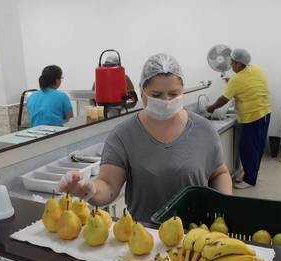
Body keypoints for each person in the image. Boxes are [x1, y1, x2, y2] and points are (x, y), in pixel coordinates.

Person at [60, 53, 232, 222]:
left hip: (196, 235)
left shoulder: (203, 129)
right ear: (142, 93)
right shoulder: (124, 135)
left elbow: (219, 173)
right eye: (156, 95)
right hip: (144, 238)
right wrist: (89, 189)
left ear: (182, 91)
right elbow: (108, 186)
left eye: (173, 94)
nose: (166, 101)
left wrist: (222, 209)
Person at [207, 48, 271, 189]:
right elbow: (246, 82)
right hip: (265, 114)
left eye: (232, 62)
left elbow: (223, 100)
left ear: (238, 64)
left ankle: (249, 180)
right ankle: (251, 175)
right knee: (257, 147)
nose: (230, 65)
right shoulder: (254, 69)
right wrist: (231, 81)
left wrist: (210, 108)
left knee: (248, 149)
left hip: (252, 117)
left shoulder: (236, 80)